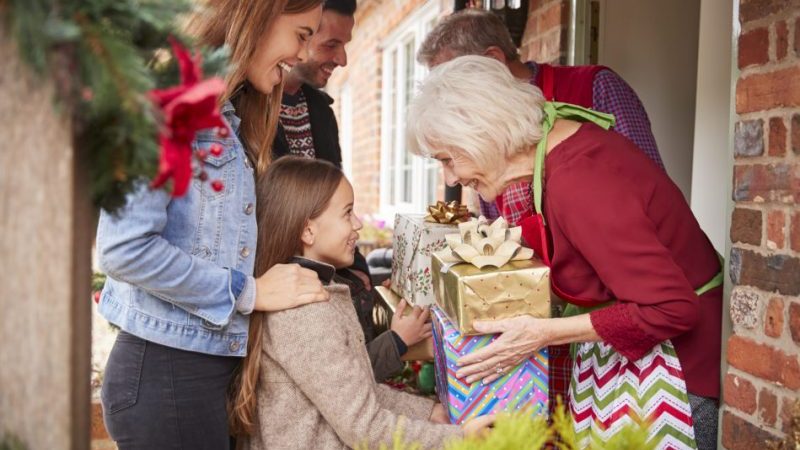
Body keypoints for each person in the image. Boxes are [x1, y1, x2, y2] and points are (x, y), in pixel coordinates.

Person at [407, 56, 722, 449]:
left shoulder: (578, 179)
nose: (451, 178)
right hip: (638, 365)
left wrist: (542, 334)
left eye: (447, 159)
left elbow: (671, 308)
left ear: (483, 133)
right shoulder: (557, 149)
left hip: (674, 377)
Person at [95, 2, 328, 449]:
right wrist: (250, 292)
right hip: (166, 378)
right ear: (259, 15)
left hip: (192, 376)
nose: (302, 53)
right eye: (301, 34)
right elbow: (124, 249)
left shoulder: (226, 116)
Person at [231, 157, 493, 449]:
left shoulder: (314, 292)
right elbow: (365, 428)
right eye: (347, 213)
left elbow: (359, 392)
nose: (357, 224)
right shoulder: (304, 312)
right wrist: (462, 440)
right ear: (308, 231)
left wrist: (429, 412)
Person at [274, 0, 429, 380]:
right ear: (301, 35)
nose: (342, 59)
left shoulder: (320, 110)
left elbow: (335, 200)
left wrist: (357, 269)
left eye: (345, 44)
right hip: (282, 284)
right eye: (330, 44)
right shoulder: (246, 108)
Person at [418, 8, 664, 224]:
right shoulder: (484, 127)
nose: (445, 98)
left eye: (453, 80)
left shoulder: (598, 87)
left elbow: (652, 196)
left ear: (493, 60)